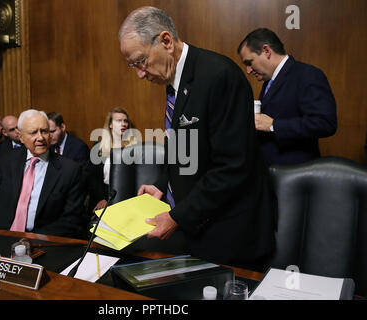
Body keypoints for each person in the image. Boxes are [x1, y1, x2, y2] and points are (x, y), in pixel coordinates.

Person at [118, 7, 275, 268]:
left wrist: (178, 215)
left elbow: (233, 168)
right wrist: (161, 184)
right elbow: (184, 148)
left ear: (166, 41)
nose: (140, 74)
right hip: (198, 228)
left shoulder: (220, 76)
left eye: (141, 61)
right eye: (133, 65)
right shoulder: (175, 80)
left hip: (229, 235)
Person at [0, 109, 86, 238]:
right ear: (21, 137)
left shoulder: (70, 170)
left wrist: (35, 239)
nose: (40, 137)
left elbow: (72, 219)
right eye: (33, 132)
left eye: (44, 131)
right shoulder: (5, 160)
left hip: (43, 241)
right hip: (1, 235)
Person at [237, 28, 337, 166]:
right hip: (270, 173)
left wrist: (273, 125)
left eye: (249, 62)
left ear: (266, 51)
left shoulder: (308, 75)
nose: (248, 70)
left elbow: (325, 123)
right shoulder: (269, 81)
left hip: (296, 174)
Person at [89, 107, 136, 214]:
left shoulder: (134, 147)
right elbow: (93, 179)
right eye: (118, 121)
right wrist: (101, 199)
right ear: (110, 125)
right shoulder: (98, 147)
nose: (123, 124)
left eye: (125, 121)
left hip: (128, 196)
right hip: (105, 195)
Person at [47, 112, 91, 188]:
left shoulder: (79, 147)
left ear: (63, 127)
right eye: (46, 132)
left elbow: (84, 178)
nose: (49, 136)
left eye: (52, 131)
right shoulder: (46, 147)